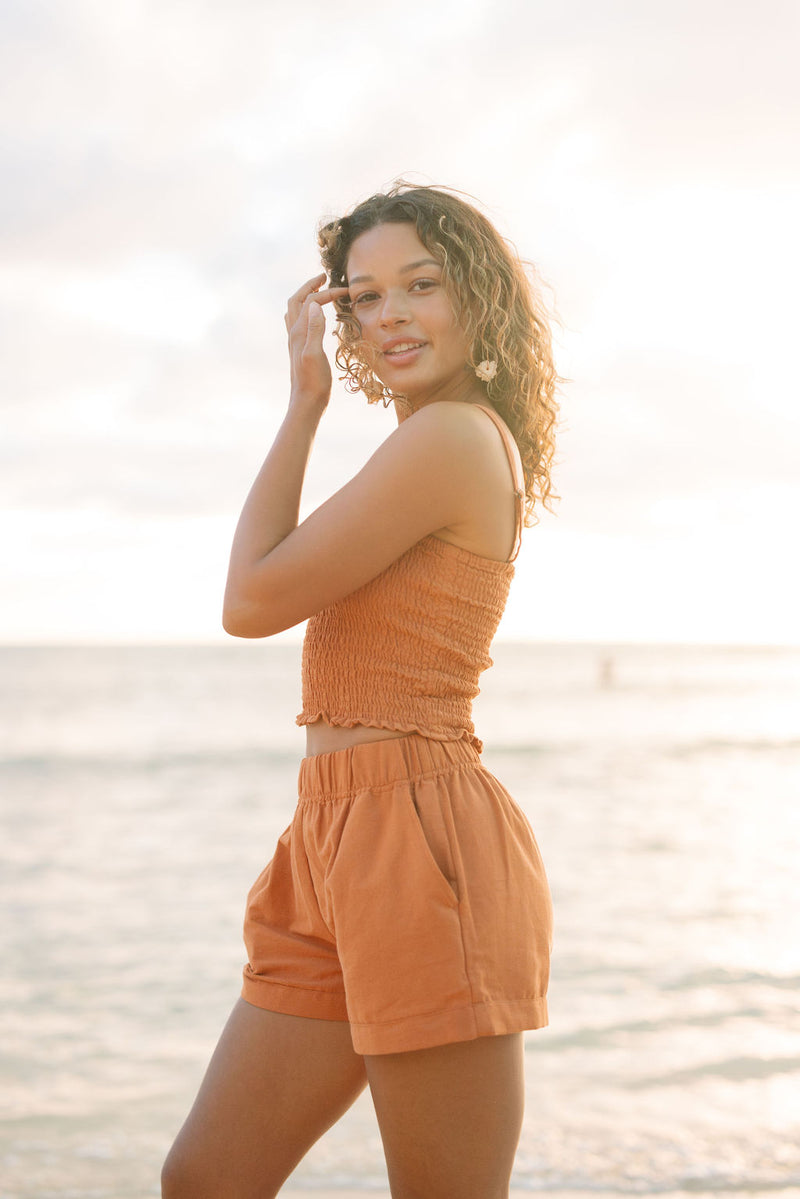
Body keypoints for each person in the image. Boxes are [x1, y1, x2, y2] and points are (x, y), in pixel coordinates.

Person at [162, 182, 559, 1199]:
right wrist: (305, 407)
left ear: (475, 299)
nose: (389, 314)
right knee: (205, 1178)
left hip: (417, 838)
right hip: (331, 837)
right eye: (364, 295)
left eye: (418, 284)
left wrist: (299, 408)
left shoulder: (452, 437)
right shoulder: (424, 439)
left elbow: (249, 599)